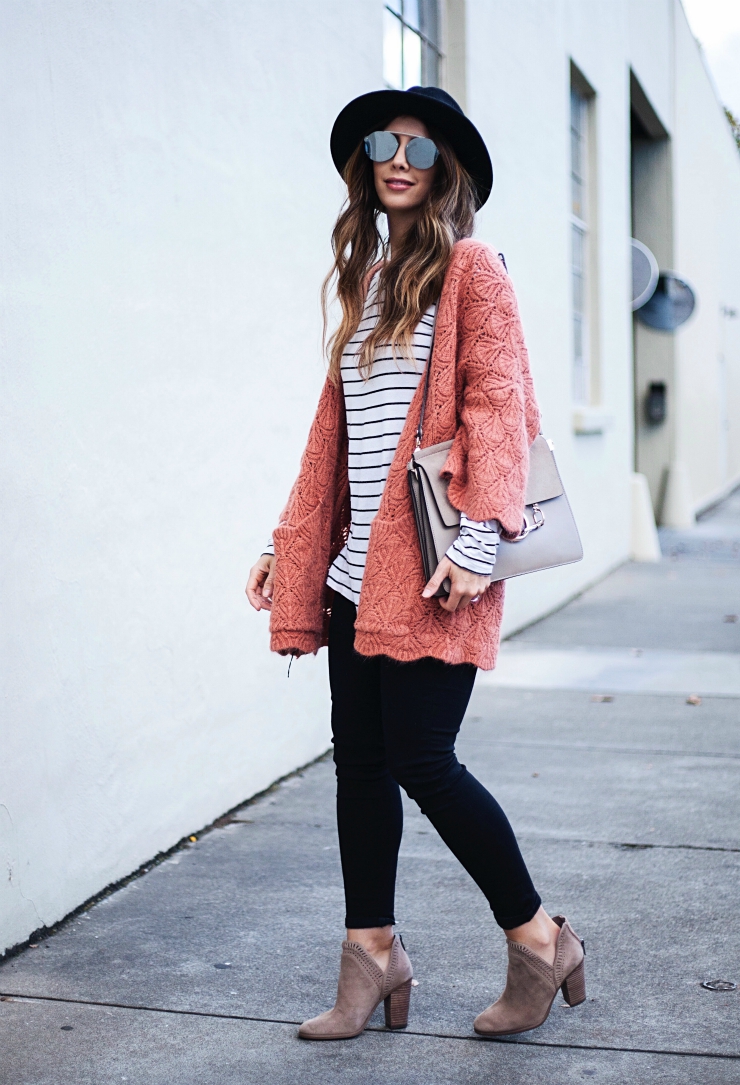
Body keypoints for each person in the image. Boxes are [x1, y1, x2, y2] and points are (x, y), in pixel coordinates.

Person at [246, 86, 585, 1042]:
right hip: (358, 572)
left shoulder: (472, 269)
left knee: (423, 761)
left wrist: (480, 541)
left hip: (439, 565)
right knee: (360, 767)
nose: (397, 157)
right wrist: (290, 546)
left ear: (449, 172)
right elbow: (336, 441)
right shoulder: (373, 280)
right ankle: (373, 957)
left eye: (420, 148)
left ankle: (539, 938)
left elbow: (501, 405)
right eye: (381, 142)